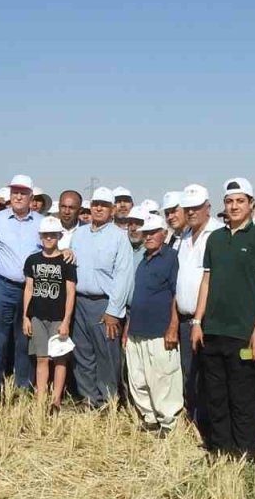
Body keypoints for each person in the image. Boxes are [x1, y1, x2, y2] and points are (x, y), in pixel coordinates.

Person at [190, 177, 255, 460]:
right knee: (215, 395)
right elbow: (206, 281)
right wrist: (197, 322)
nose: (234, 206)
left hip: (243, 333)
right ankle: (219, 449)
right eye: (229, 201)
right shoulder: (215, 238)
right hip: (213, 330)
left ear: (251, 205)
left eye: (240, 201)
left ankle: (244, 453)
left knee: (242, 396)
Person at [0, 175, 44, 397]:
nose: (17, 196)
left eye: (23, 193)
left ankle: (23, 387)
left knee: (25, 338)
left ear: (31, 197)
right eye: (14, 192)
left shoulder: (41, 223)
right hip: (2, 286)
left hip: (30, 290)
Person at [70, 186, 134, 408]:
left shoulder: (119, 238)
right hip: (79, 302)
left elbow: (123, 277)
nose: (98, 208)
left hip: (104, 304)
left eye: (104, 205)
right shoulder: (79, 234)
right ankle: (89, 398)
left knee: (107, 355)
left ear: (112, 209)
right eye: (95, 203)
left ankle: (109, 400)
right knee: (82, 353)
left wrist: (113, 311)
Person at [125, 213, 182, 436]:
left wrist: (173, 326)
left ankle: (168, 422)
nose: (148, 237)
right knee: (138, 377)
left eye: (153, 232)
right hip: (137, 327)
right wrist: (129, 326)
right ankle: (149, 418)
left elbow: (177, 294)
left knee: (162, 378)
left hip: (160, 328)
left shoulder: (172, 258)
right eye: (145, 233)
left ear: (164, 234)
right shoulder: (143, 260)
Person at [174, 184, 223, 431]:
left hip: (206, 319)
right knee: (188, 373)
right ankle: (192, 419)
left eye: (197, 207)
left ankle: (207, 425)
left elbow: (213, 280)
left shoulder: (217, 234)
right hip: (184, 318)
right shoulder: (182, 238)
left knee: (208, 376)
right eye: (188, 208)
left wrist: (199, 321)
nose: (192, 212)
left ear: (208, 208)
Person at [21, 216, 76, 411]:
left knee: (59, 359)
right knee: (42, 358)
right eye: (46, 235)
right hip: (37, 315)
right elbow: (29, 289)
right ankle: (40, 398)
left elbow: (70, 293)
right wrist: (25, 316)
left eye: (53, 235)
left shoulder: (67, 260)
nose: (49, 238)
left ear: (60, 236)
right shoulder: (32, 260)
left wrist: (66, 321)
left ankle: (56, 401)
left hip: (58, 317)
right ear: (40, 236)